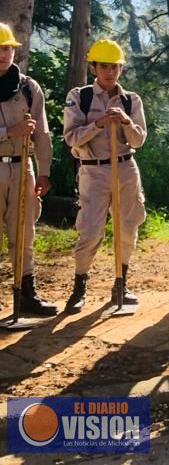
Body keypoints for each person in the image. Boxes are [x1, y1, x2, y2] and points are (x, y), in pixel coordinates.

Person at [63, 39, 147, 314]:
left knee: (127, 227)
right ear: (93, 67)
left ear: (121, 68)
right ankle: (79, 285)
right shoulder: (80, 97)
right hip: (93, 169)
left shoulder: (131, 99)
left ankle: (120, 283)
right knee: (89, 230)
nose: (110, 72)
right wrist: (98, 124)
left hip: (125, 168)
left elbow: (139, 139)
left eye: (115, 66)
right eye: (104, 66)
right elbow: (71, 136)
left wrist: (125, 121)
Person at [0, 22, 56, 316]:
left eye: (7, 48)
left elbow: (42, 133)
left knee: (24, 233)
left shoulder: (28, 87)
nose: (2, 54)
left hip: (24, 169)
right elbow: (19, 130)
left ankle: (25, 295)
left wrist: (44, 170)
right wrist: (10, 131)